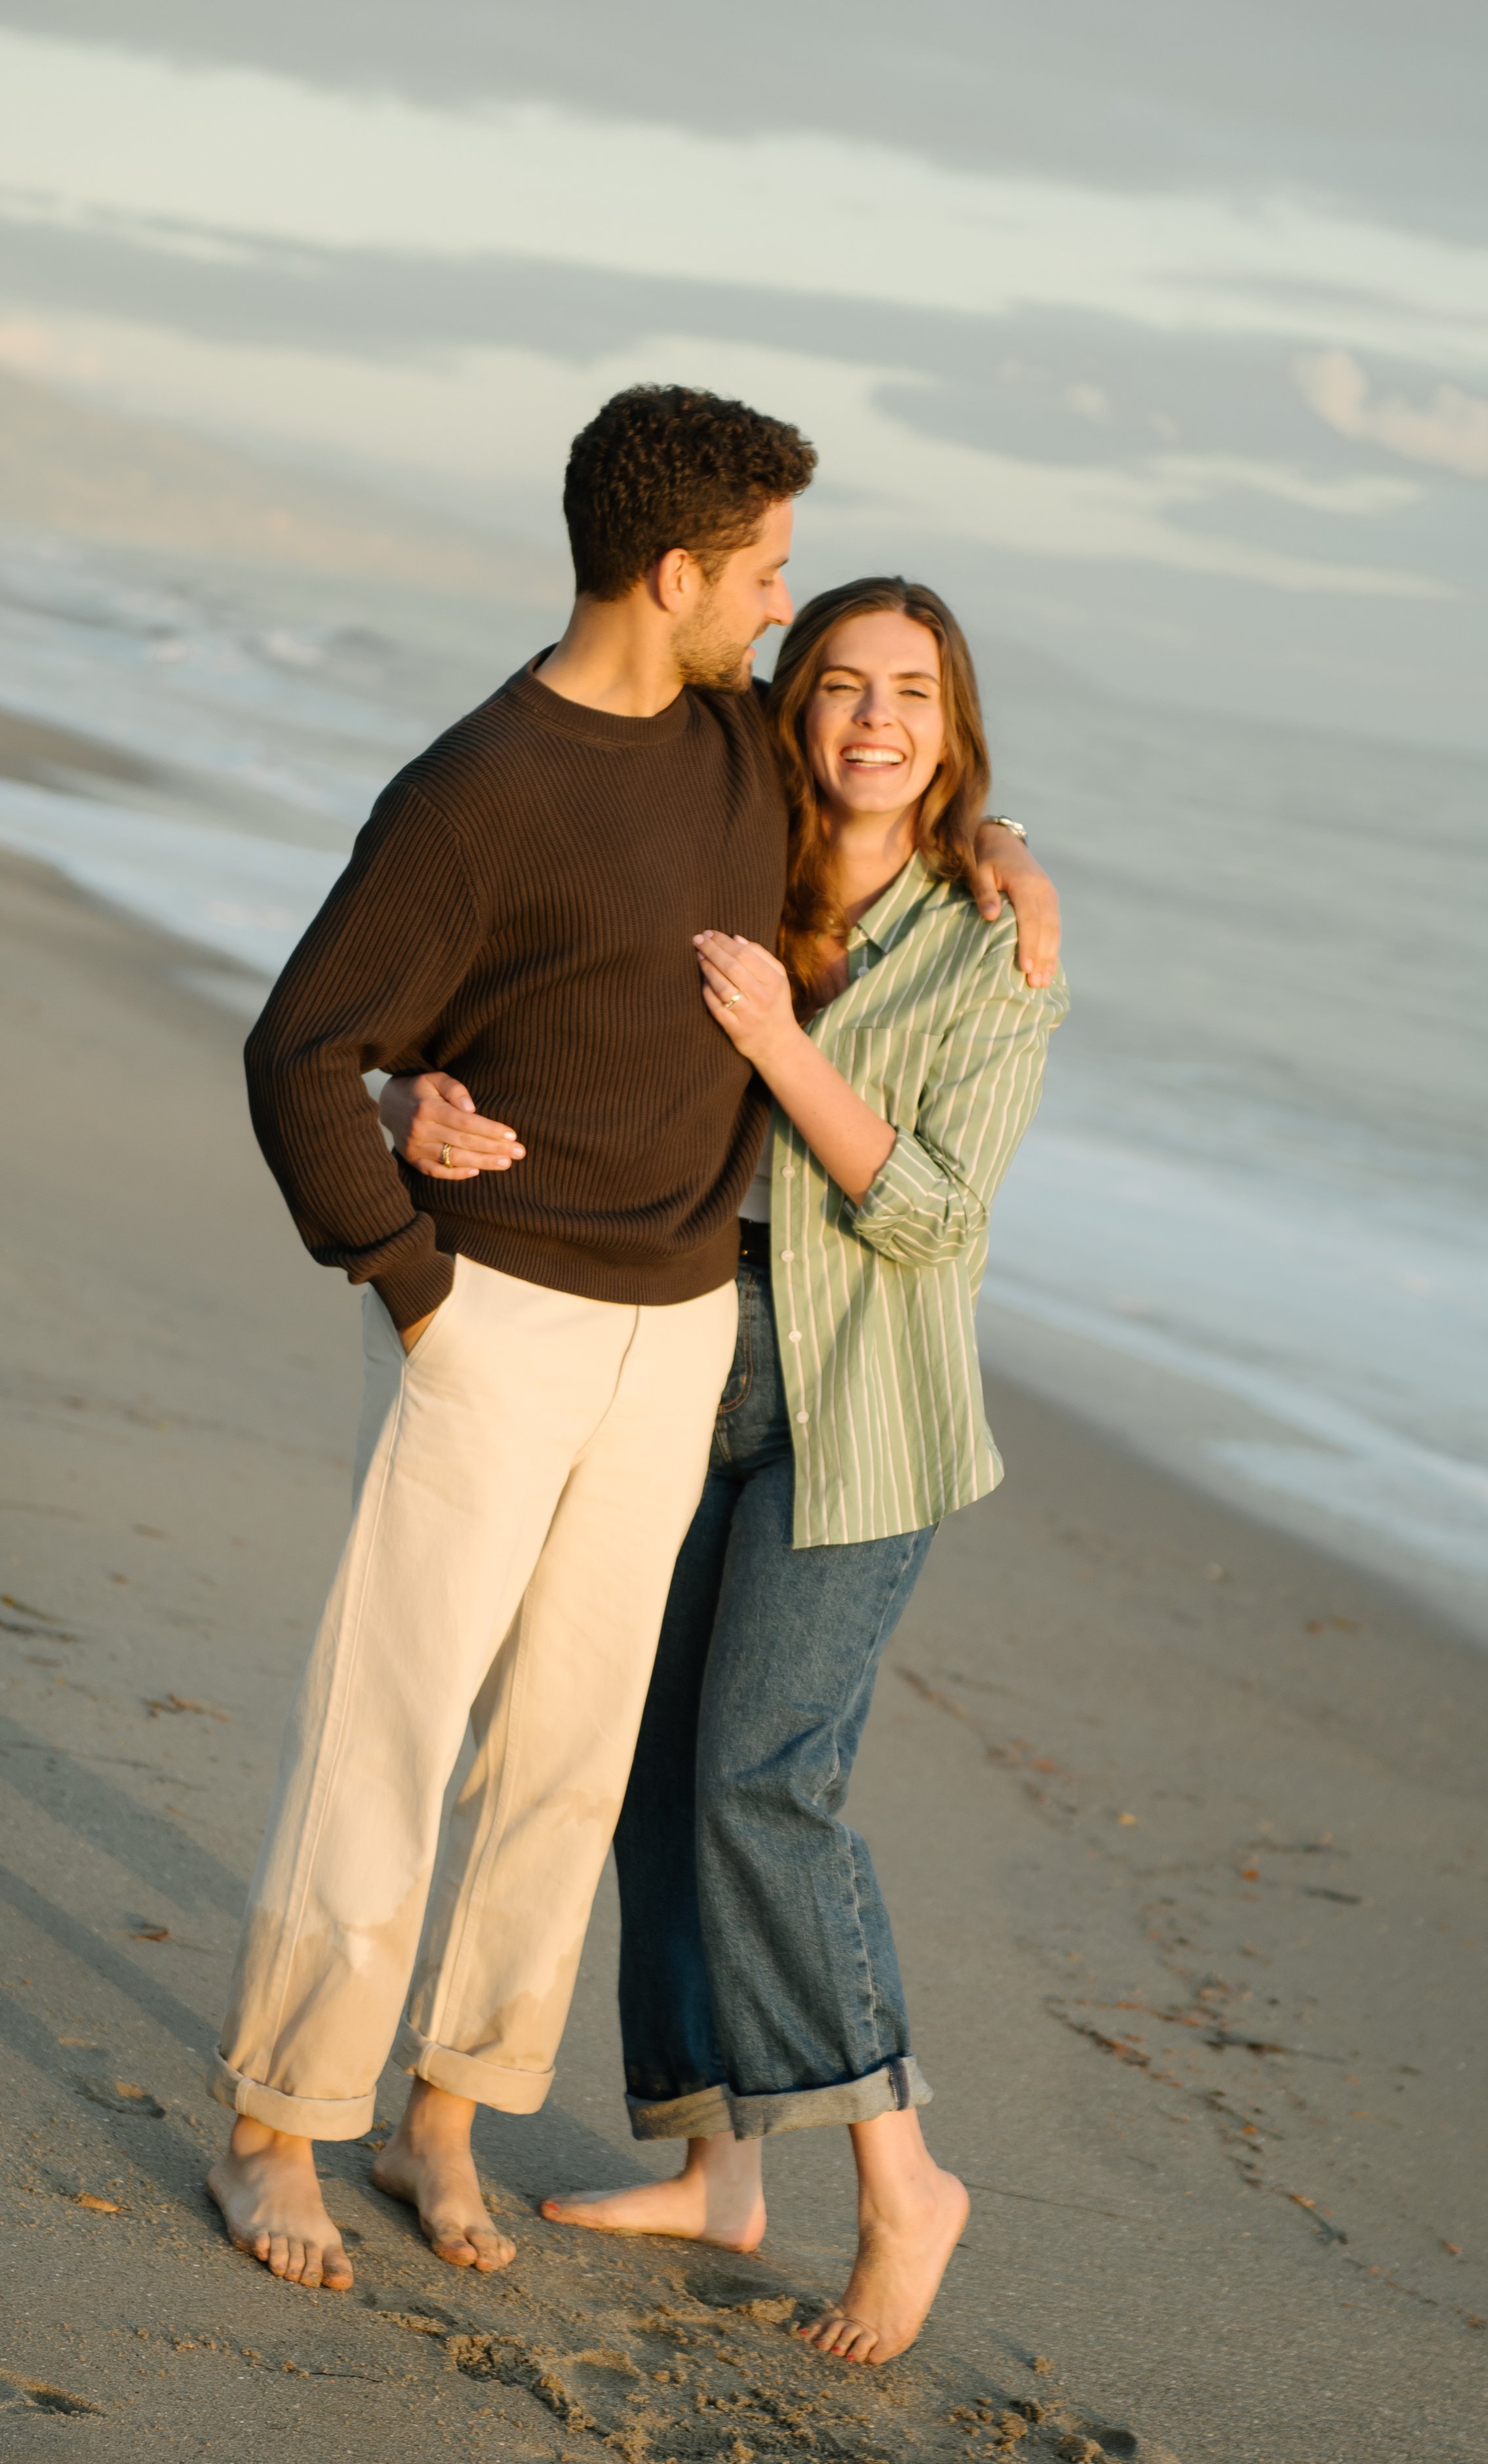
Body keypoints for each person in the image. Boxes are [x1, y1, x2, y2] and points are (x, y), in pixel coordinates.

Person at [208, 386, 1059, 2296]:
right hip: (490, 1316)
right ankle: (281, 2120)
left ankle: (452, 2112)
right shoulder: (475, 789)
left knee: (572, 1759)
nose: (777, 613)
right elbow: (299, 1048)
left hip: (679, 1334)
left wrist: (1003, 846)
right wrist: (406, 1253)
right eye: (759, 577)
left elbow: (889, 778)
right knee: (392, 1729)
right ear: (672, 571)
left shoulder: (736, 757)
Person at [387, 578, 1067, 2362]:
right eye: (837, 682)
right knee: (644, 1763)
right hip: (683, 1338)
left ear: (951, 719)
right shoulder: (734, 860)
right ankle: (717, 2164)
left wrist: (784, 1035)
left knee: (766, 1782)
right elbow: (561, 936)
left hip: (866, 1410)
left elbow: (927, 1218)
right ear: (791, 709)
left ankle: (906, 2183)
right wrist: (420, 1093)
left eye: (910, 693)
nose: (869, 719)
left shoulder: (988, 945)